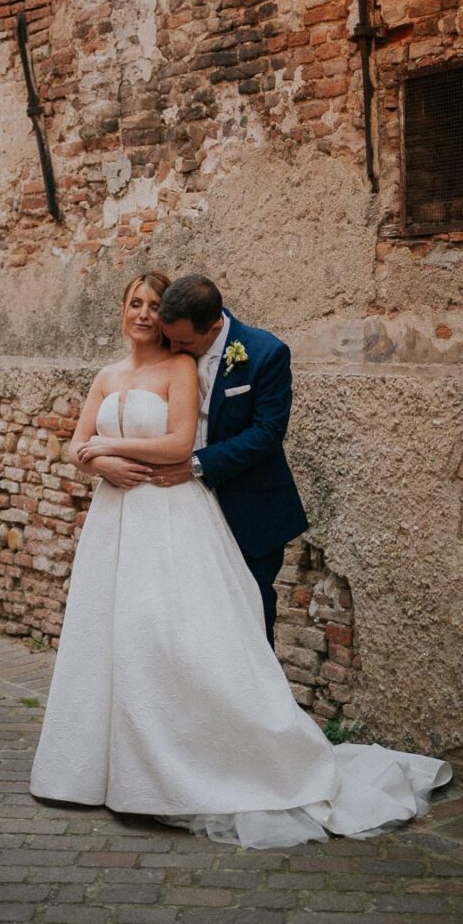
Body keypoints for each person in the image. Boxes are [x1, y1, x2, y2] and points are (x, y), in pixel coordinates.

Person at [29, 272, 451, 849]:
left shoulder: (257, 354)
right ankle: (111, 765)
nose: (149, 318)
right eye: (136, 304)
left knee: (230, 636)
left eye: (158, 309)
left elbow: (258, 435)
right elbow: (80, 443)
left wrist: (123, 451)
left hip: (220, 508)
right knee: (124, 635)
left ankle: (241, 746)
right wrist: (96, 460)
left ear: (203, 329)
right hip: (121, 523)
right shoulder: (113, 373)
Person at [153, 274, 308, 648]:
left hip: (250, 507)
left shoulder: (265, 353)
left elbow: (267, 433)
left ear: (216, 325)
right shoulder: (171, 348)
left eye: (184, 342)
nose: (173, 347)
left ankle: (258, 701)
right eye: (169, 338)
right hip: (186, 510)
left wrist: (195, 464)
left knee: (250, 611)